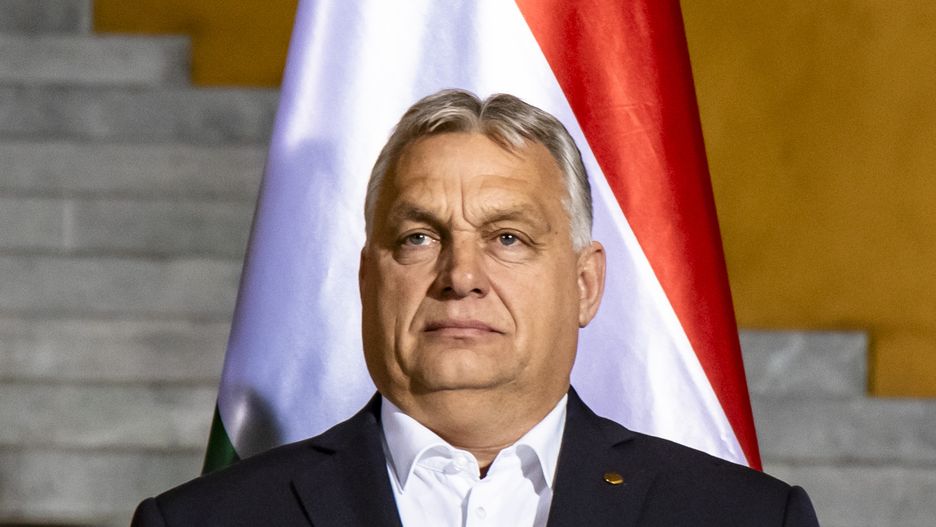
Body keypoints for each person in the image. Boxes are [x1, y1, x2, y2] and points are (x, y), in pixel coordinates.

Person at [132, 89, 820, 526]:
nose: (461, 276)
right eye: (419, 237)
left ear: (585, 285)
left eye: (508, 237)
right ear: (368, 281)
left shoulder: (747, 518)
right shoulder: (203, 521)